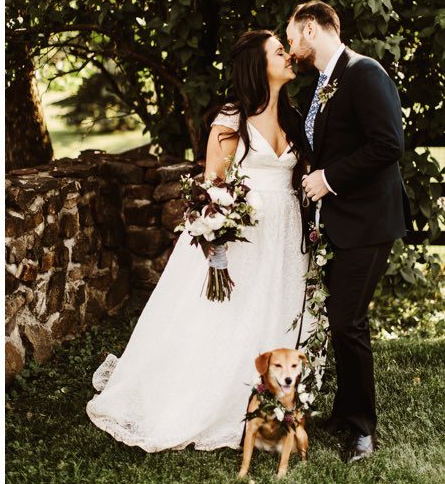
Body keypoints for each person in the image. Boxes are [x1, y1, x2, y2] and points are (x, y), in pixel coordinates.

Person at [86, 30, 312, 451]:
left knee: (275, 308)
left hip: (284, 234)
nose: (288, 56)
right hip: (243, 237)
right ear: (257, 66)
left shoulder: (294, 116)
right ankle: (213, 397)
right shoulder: (232, 117)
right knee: (227, 315)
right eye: (278, 52)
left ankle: (271, 400)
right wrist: (217, 241)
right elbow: (214, 188)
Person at [287, 0, 409, 462]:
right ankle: (346, 410)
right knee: (341, 322)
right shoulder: (324, 83)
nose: (290, 45)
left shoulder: (364, 72)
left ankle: (363, 430)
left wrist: (328, 179)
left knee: (347, 321)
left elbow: (388, 145)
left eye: (293, 36)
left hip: (370, 222)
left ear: (312, 29)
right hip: (341, 223)